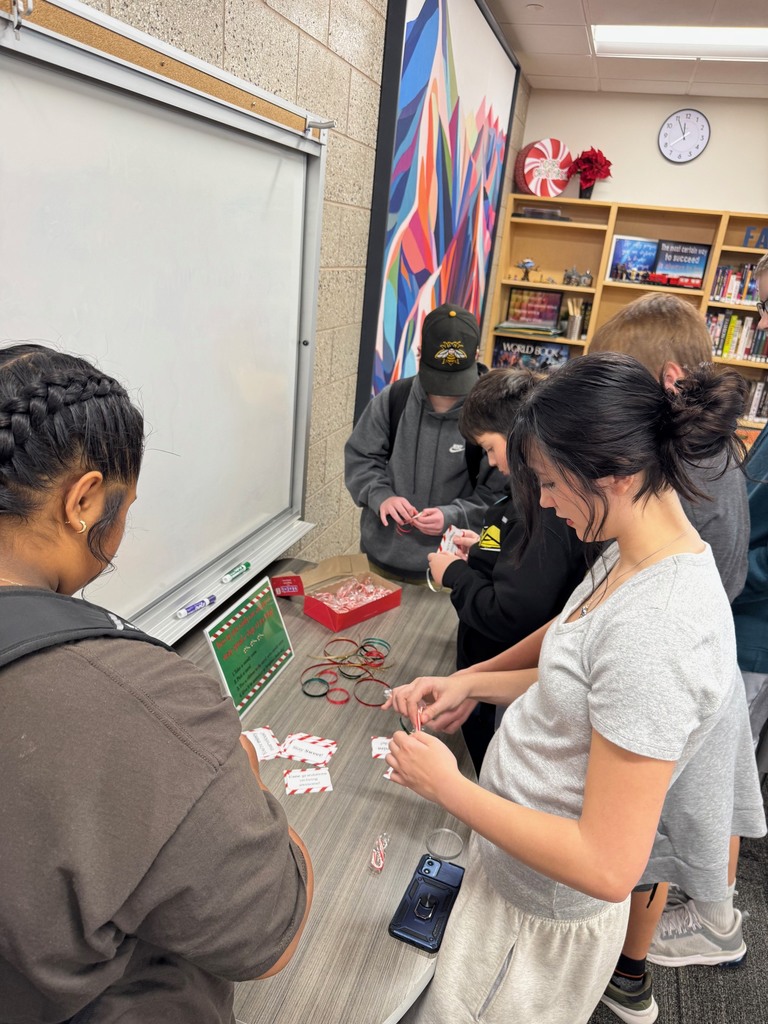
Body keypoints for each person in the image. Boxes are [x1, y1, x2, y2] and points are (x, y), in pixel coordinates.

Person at [385, 352, 765, 1024]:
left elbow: (607, 864)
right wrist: (470, 681)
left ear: (613, 476)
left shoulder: (660, 628)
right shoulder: (635, 543)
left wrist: (449, 786)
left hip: (542, 917)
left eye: (551, 485)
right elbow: (571, 653)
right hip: (515, 879)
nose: (549, 506)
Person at [0, 344, 312, 1023]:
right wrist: (244, 776)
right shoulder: (144, 704)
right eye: (125, 506)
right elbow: (270, 933)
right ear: (83, 500)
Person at [586, 292, 750, 1018]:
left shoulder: (685, 486)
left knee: (647, 834)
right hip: (693, 659)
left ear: (668, 383)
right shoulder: (704, 456)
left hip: (676, 673)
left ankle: (628, 971)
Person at [642, 259, 768, 986]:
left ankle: (710, 919)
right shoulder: (711, 450)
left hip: (734, 633)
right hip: (725, 623)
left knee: (705, 792)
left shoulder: (693, 482)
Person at [427, 367, 595, 771]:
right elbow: (502, 536)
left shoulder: (545, 510)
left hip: (506, 678)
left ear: (519, 435)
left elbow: (509, 613)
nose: (491, 461)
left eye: (489, 448)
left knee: (488, 766)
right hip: (488, 670)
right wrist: (479, 549)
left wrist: (452, 574)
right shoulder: (520, 495)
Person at [344, 303, 506, 581]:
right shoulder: (392, 399)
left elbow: (499, 497)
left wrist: (452, 515)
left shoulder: (491, 416)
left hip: (453, 567)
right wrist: (381, 496)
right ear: (419, 354)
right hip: (379, 560)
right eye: (437, 380)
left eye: (455, 383)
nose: (445, 396)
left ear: (476, 356)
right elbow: (361, 459)